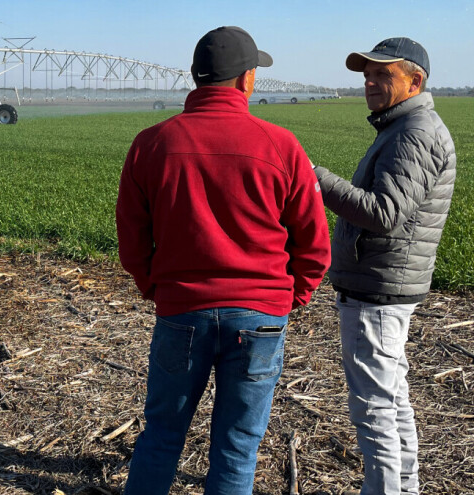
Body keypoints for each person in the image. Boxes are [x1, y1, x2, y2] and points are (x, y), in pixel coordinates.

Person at [116, 26, 331, 494]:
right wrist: (293, 295)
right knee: (237, 446)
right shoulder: (282, 146)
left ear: (196, 77)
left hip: (181, 312)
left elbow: (132, 239)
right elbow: (314, 244)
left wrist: (155, 286)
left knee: (161, 438)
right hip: (260, 316)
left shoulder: (151, 144)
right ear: (246, 79)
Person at [312, 37, 456, 495]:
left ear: (415, 81)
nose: (370, 83)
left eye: (382, 75)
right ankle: (405, 488)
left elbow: (382, 213)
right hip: (385, 284)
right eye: (367, 75)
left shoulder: (414, 131)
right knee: (392, 400)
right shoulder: (404, 127)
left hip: (378, 290)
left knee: (374, 408)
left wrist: (315, 179)